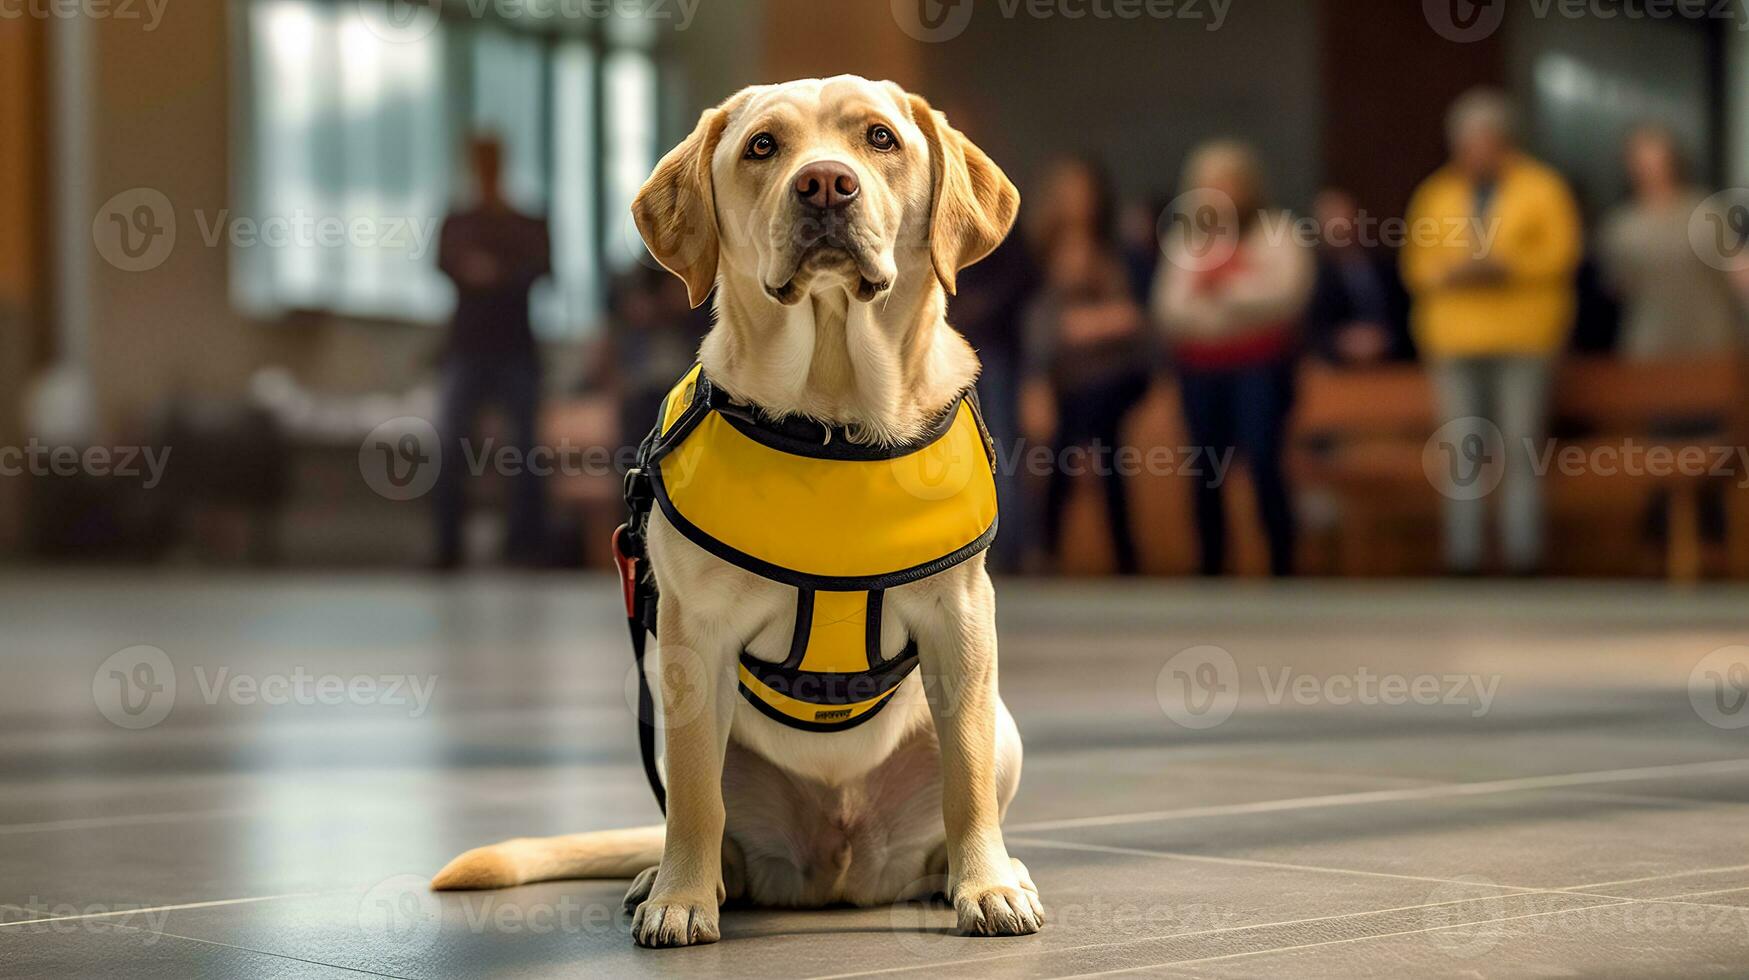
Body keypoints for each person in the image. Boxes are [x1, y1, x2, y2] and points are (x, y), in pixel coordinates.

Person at [1402, 89, 1582, 575]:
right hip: (1456, 339)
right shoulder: (1436, 194)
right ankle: (1463, 557)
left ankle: (1525, 555)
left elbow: (1562, 252)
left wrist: (1506, 267)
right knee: (1461, 448)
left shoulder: (1542, 188)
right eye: (1467, 141)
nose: (1476, 149)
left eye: (1485, 139)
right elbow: (1417, 264)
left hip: (1523, 337)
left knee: (1521, 445)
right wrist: (1452, 272)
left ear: (1504, 140)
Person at [1152, 140, 1313, 577]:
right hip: (1201, 370)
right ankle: (1211, 569)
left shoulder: (1278, 232)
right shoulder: (1184, 242)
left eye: (1230, 184)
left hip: (1261, 368)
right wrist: (1223, 292)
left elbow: (1284, 296)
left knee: (1263, 462)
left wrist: (1224, 287)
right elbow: (1172, 309)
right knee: (1207, 468)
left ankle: (1282, 566)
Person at [1022, 158, 1152, 575]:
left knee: (1083, 433)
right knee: (1082, 441)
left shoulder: (1121, 249)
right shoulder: (1042, 251)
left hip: (1117, 375)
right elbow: (1042, 325)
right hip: (1068, 379)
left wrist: (1090, 325)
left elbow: (1138, 317)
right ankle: (1115, 554)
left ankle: (1055, 551)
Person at [433, 134, 553, 569]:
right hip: (466, 348)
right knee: (449, 446)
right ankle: (447, 547)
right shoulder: (458, 221)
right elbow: (444, 264)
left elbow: (540, 268)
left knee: (525, 451)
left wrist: (494, 271)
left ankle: (524, 547)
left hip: (515, 349)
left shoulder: (526, 222)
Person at [1598, 125, 1746, 360]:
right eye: (1640, 161)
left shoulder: (1706, 212)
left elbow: (1740, 274)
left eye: (1656, 159)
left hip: (1711, 342)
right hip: (1650, 345)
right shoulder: (1621, 226)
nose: (1649, 168)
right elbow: (1617, 289)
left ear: (1673, 161)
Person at [1305, 187, 1413, 366]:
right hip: (1337, 370)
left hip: (1394, 363)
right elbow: (1311, 328)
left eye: (1345, 218)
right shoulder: (1313, 274)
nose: (1340, 227)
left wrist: (1385, 339)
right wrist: (1341, 343)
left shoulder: (1387, 267)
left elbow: (1405, 313)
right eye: (1332, 221)